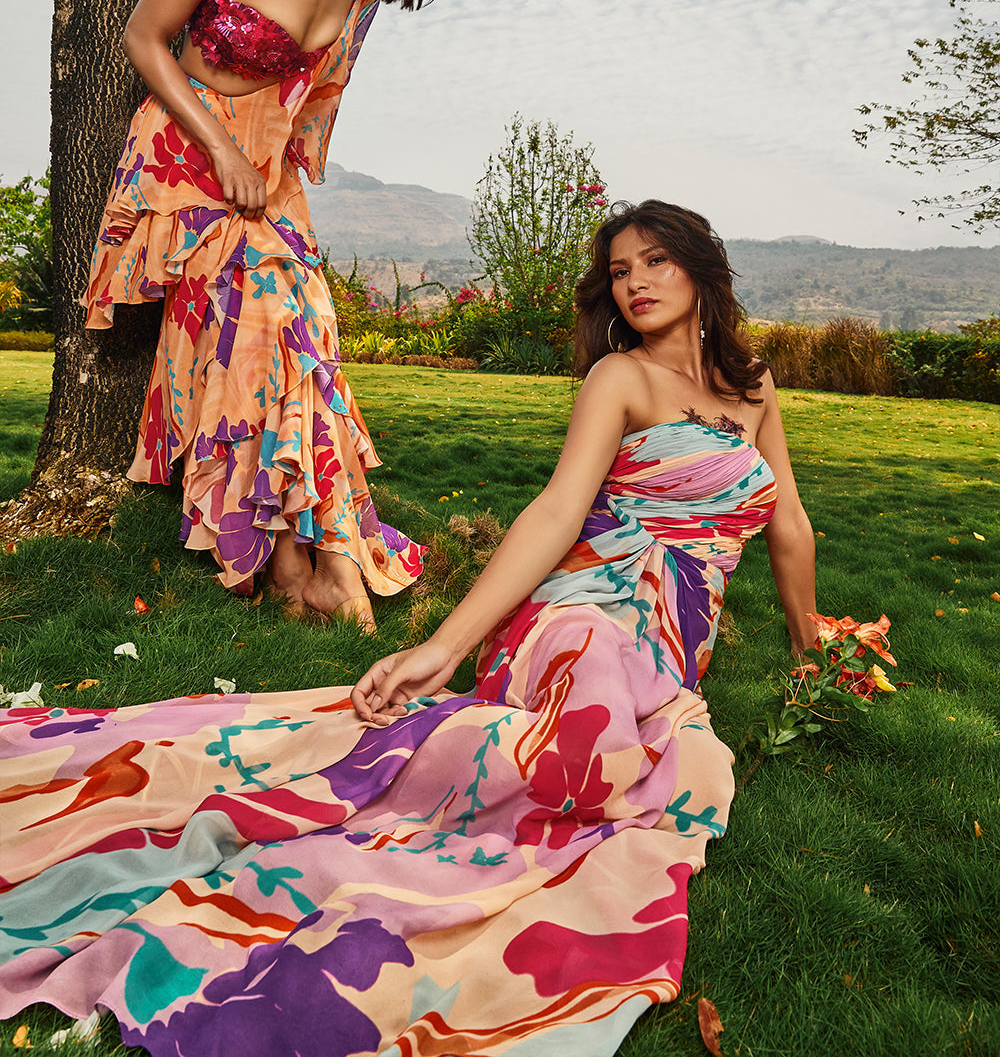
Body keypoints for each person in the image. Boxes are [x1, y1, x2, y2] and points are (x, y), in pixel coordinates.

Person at [1, 202, 817, 1057]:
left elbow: (788, 523)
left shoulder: (754, 388)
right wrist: (444, 649)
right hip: (579, 612)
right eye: (620, 270)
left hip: (671, 638)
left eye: (655, 262)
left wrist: (808, 643)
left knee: (642, 753)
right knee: (595, 761)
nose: (637, 283)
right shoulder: (621, 379)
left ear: (700, 270)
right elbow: (553, 514)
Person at [83, 0, 453, 626]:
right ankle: (296, 565)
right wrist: (219, 151)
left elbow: (312, 100)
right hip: (186, 149)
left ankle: (319, 552)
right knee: (258, 320)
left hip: (265, 167)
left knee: (306, 330)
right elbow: (146, 35)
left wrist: (270, 176)